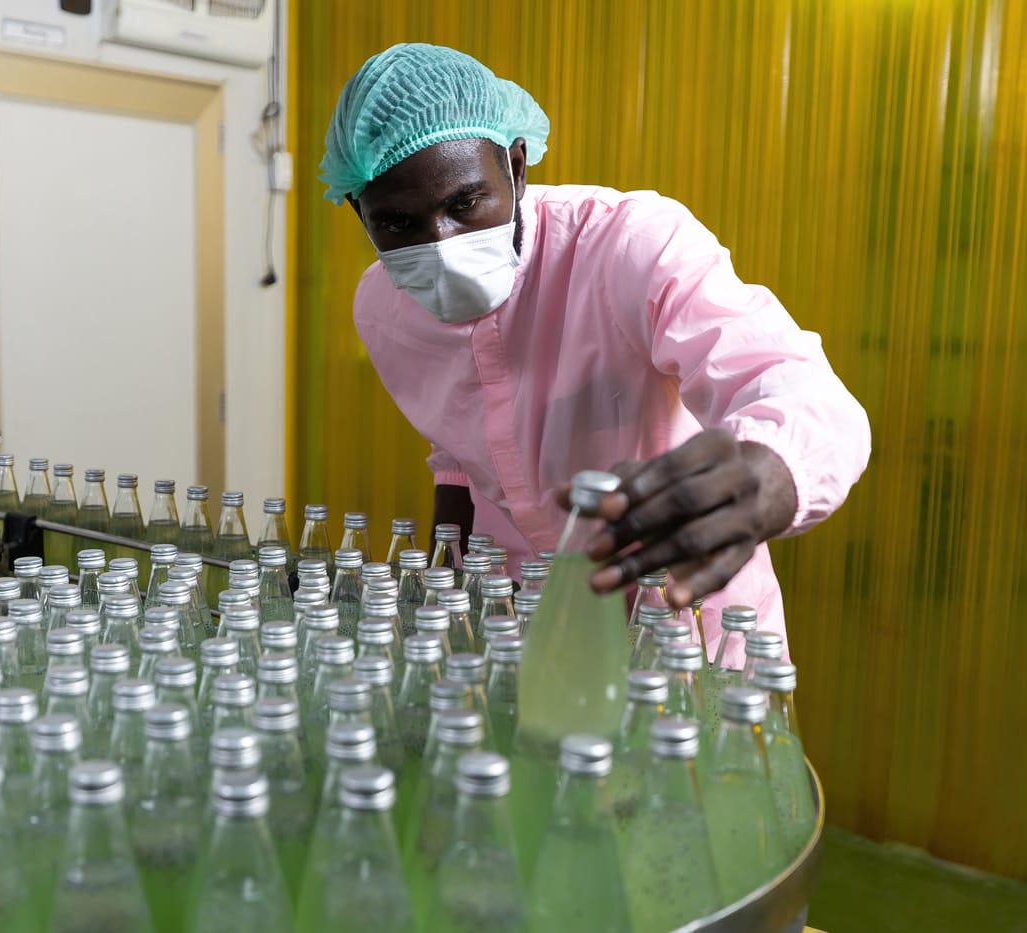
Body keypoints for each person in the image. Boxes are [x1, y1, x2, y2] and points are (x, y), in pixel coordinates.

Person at [321, 43, 870, 664]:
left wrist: (770, 471)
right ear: (358, 213)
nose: (440, 246)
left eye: (464, 204)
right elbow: (456, 451)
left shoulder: (628, 244)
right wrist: (442, 596)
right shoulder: (381, 307)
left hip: (680, 624)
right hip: (522, 622)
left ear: (517, 166)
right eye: (397, 224)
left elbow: (789, 380)